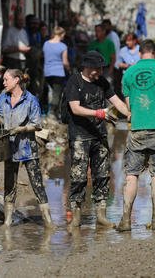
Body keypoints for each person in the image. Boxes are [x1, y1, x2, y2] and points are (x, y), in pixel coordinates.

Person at [117, 39, 155, 232]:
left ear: (140, 53)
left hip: (137, 130)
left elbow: (129, 107)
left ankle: (126, 220)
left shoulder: (129, 73)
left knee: (132, 174)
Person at [65, 50, 130, 228]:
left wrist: (131, 115)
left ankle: (101, 215)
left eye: (101, 69)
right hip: (79, 136)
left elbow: (116, 102)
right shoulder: (74, 82)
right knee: (78, 176)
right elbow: (75, 108)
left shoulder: (102, 82)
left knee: (102, 174)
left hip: (99, 135)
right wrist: (98, 113)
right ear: (87, 67)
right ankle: (76, 216)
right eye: (96, 69)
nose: (99, 72)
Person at [0, 69, 54, 228]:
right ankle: (7, 221)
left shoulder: (31, 100)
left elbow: (37, 124)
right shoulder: (2, 98)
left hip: (28, 148)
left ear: (16, 80)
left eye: (6, 79)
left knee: (37, 184)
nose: (4, 83)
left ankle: (48, 222)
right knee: (9, 184)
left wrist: (20, 129)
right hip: (9, 147)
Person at [42, 26, 70, 118]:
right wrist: (69, 69)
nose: (64, 37)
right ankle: (53, 113)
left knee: (50, 92)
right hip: (58, 73)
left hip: (47, 72)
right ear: (61, 34)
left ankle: (48, 111)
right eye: (63, 35)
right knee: (57, 94)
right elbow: (65, 62)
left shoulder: (46, 44)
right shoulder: (63, 46)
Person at [115, 33, 141, 99]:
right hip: (127, 76)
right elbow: (118, 63)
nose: (127, 42)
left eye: (129, 40)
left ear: (134, 41)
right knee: (127, 95)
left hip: (139, 76)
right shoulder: (123, 50)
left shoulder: (141, 49)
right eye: (126, 41)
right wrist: (127, 65)